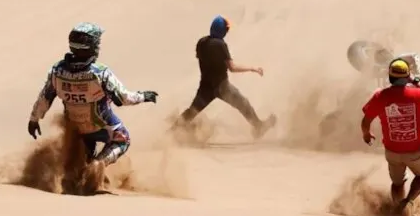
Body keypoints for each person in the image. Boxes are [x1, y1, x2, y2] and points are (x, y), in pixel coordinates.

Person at [27, 22, 159, 177]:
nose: (98, 46)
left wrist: (34, 119)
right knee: (123, 138)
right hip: (100, 126)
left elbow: (44, 98)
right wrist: (144, 96)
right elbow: (123, 99)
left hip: (76, 128)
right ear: (91, 47)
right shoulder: (100, 73)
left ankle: (80, 173)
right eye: (97, 42)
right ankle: (98, 165)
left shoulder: (57, 71)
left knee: (83, 148)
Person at [174, 15, 276, 139]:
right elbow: (232, 68)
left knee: (192, 111)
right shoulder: (220, 45)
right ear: (223, 31)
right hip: (221, 86)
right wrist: (252, 68)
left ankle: (170, 133)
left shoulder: (202, 42)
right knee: (243, 104)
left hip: (205, 86)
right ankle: (258, 127)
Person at [361, 58, 420, 212]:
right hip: (415, 150)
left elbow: (366, 120)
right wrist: (415, 81)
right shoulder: (418, 94)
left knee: (397, 184)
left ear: (390, 77)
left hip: (393, 151)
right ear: (407, 76)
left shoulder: (380, 96)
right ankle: (408, 202)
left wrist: (366, 134)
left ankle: (398, 209)